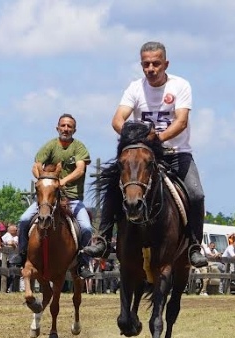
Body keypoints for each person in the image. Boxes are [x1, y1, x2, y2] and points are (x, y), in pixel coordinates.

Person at [82, 40, 208, 268]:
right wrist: (136, 139)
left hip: (177, 153)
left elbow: (181, 122)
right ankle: (102, 239)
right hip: (142, 156)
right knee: (111, 186)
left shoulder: (180, 86)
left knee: (196, 194)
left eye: (155, 64)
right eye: (146, 64)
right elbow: (117, 119)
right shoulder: (135, 88)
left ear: (165, 64)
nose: (150, 69)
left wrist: (155, 140)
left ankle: (194, 246)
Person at [10, 113, 94, 280]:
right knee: (24, 219)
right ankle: (22, 254)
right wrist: (42, 179)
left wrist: (62, 181)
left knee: (86, 228)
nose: (66, 129)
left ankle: (83, 262)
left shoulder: (79, 147)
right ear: (57, 128)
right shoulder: (49, 146)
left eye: (69, 126)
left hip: (73, 199)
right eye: (63, 125)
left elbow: (80, 169)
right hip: (48, 199)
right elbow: (36, 166)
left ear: (74, 130)